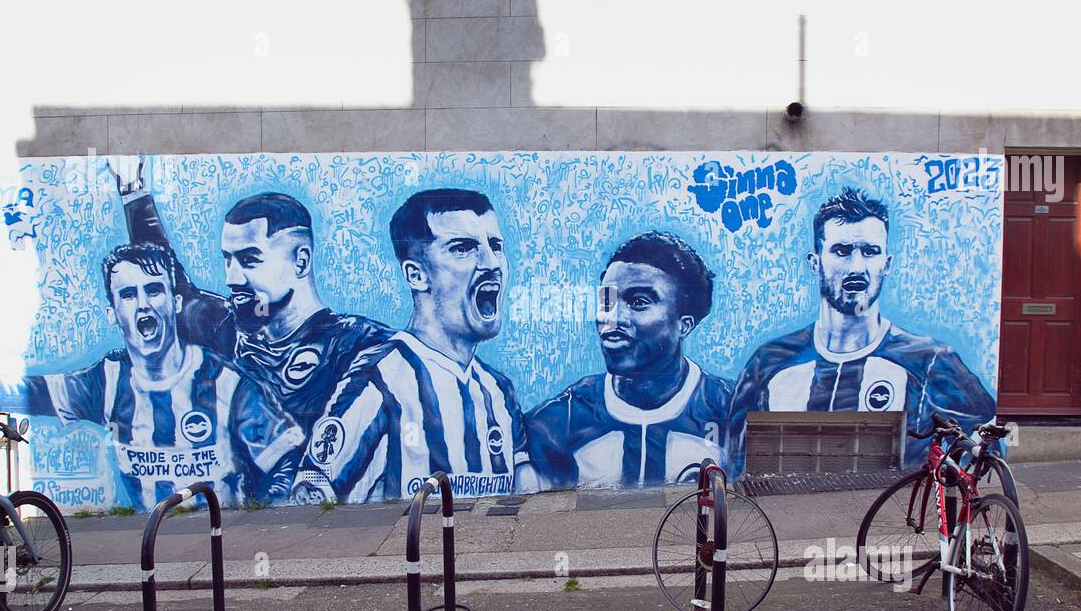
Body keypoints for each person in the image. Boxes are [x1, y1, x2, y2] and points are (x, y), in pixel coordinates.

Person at [0, 242, 305, 510]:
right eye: (128, 294)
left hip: (218, 538)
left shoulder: (225, 383)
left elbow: (286, 459)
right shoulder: (104, 383)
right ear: (112, 312)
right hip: (155, 540)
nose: (143, 304)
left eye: (154, 290)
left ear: (175, 301)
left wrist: (263, 512)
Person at [110, 156, 391, 436]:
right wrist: (134, 192)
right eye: (228, 260)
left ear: (301, 262)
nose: (232, 278)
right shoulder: (226, 332)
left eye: (249, 260)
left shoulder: (360, 345)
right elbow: (178, 291)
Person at [291, 189, 535, 503]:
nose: (491, 263)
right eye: (463, 248)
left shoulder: (499, 392)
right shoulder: (378, 379)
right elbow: (314, 494)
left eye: (495, 246)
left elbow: (525, 496)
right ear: (416, 275)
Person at [728, 187, 997, 469]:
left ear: (886, 263)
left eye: (870, 251)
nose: (857, 267)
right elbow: (734, 460)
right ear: (815, 262)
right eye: (842, 251)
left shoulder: (930, 362)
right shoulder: (770, 362)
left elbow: (983, 451)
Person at [527, 232, 731, 488]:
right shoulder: (557, 422)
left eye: (638, 302)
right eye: (607, 301)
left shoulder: (729, 409)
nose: (613, 318)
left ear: (684, 325)